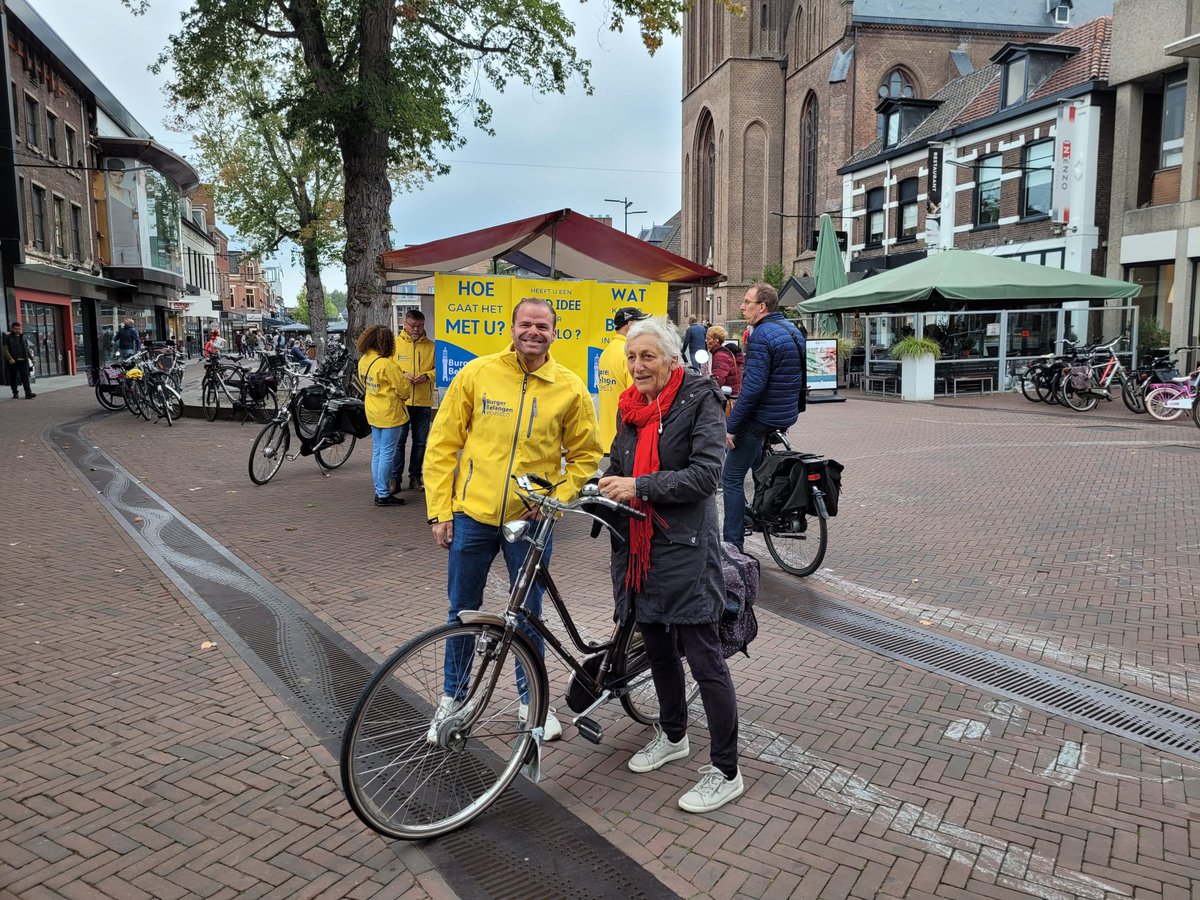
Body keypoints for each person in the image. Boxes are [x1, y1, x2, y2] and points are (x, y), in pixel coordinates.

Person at [424, 298, 603, 743]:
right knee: (462, 610)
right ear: (512, 328)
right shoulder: (477, 373)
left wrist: (554, 499)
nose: (533, 332)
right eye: (526, 324)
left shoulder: (569, 387)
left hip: (530, 521)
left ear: (554, 333)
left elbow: (586, 455)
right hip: (473, 514)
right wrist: (440, 510)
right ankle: (454, 697)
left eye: (542, 325)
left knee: (528, 614)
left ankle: (532, 701)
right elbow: (443, 444)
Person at [597, 316, 743, 813]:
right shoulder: (630, 407)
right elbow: (618, 465)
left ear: (671, 358)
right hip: (639, 551)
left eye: (647, 356)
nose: (637, 366)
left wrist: (640, 486)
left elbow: (706, 475)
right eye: (631, 357)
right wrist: (596, 484)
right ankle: (674, 734)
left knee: (704, 659)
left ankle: (727, 770)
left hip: (685, 548)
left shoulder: (700, 399)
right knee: (658, 648)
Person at [722, 283, 805, 549]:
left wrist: (732, 425)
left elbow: (753, 388)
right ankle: (762, 507)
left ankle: (732, 546)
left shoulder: (760, 335)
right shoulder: (792, 330)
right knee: (759, 469)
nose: (742, 307)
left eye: (747, 302)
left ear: (762, 307)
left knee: (731, 478)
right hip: (785, 413)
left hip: (762, 418)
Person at [356, 324, 412, 508]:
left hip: (372, 410)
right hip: (389, 413)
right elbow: (404, 390)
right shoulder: (387, 364)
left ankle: (379, 489)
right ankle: (383, 493)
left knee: (378, 451)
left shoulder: (364, 360)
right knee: (387, 453)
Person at [392, 310, 435, 493]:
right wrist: (402, 374)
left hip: (424, 402)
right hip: (402, 402)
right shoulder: (394, 345)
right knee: (398, 442)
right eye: (412, 325)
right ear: (404, 324)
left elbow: (439, 370)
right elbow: (388, 368)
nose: (416, 329)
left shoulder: (432, 347)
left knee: (420, 443)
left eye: (420, 326)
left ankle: (415, 478)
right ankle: (395, 479)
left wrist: (427, 376)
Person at [596, 306, 649, 454]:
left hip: (607, 438)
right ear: (630, 324)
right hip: (624, 440)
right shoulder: (628, 354)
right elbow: (638, 397)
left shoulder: (607, 351)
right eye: (640, 323)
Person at [706, 325, 741, 407]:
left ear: (716, 341)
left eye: (708, 339)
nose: (706, 341)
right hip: (732, 393)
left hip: (728, 397)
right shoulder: (723, 352)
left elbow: (718, 380)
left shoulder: (720, 355)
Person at [3, 321, 35, 399]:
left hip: (23, 361)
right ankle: (15, 392)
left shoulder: (23, 337)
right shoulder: (7, 337)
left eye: (19, 329)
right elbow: (5, 349)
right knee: (13, 378)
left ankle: (28, 393)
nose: (17, 330)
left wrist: (32, 358)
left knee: (25, 377)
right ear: (12, 329)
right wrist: (9, 358)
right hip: (13, 361)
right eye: (15, 329)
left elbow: (27, 349)